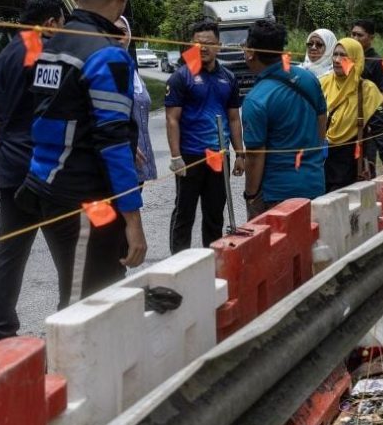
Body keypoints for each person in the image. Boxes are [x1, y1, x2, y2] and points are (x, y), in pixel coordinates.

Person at [15, 0, 147, 310]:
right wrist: (133, 219)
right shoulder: (108, 54)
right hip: (85, 198)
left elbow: (58, 112)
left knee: (91, 293)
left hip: (48, 186)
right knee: (84, 306)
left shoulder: (53, 44)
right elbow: (112, 142)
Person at [0, 0, 66, 347]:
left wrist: (3, 152)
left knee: (10, 253)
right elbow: (54, 110)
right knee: (68, 249)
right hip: (43, 168)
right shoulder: (42, 53)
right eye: (62, 24)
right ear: (50, 23)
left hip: (10, 168)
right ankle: (70, 319)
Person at [164, 19, 244, 251]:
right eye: (198, 43)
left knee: (214, 213)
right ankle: (179, 261)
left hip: (218, 155)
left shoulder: (228, 78)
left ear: (218, 45)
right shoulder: (181, 77)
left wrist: (240, 154)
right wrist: (175, 156)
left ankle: (212, 258)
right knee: (184, 211)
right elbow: (172, 119)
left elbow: (234, 118)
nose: (203, 48)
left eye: (209, 43)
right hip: (190, 155)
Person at [241, 19, 327, 219]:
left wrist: (251, 195)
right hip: (314, 184)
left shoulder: (256, 99)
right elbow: (321, 123)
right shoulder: (308, 78)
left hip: (277, 194)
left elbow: (254, 156)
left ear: (251, 52)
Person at [319, 38, 383, 192]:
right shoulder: (322, 84)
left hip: (349, 162)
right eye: (335, 54)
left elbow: (378, 127)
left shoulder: (367, 90)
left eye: (343, 56)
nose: (337, 60)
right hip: (321, 160)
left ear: (356, 60)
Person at [349, 19, 383, 176]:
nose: (355, 38)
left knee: (365, 168)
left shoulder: (377, 62)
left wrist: (370, 112)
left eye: (360, 35)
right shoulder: (348, 58)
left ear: (371, 37)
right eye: (353, 34)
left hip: (369, 122)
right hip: (347, 122)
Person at [114, 15, 157, 184]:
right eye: (112, 31)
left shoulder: (132, 70)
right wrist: (125, 141)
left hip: (140, 154)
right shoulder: (105, 69)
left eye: (122, 31)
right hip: (121, 154)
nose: (118, 36)